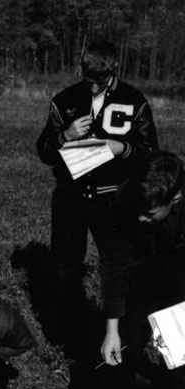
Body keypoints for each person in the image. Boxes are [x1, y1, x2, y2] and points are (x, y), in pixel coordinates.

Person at [70, 151, 185, 389]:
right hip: (142, 278)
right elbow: (115, 263)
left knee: (177, 367)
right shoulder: (127, 202)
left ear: (175, 197)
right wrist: (112, 329)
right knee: (119, 351)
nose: (141, 220)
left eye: (149, 214)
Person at [36, 39, 158, 349]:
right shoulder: (65, 100)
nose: (93, 87)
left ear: (114, 69)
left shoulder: (134, 101)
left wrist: (123, 148)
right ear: (81, 69)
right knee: (66, 267)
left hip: (113, 199)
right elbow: (44, 150)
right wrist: (65, 135)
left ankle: (122, 333)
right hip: (70, 198)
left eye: (100, 81)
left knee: (118, 264)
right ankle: (67, 337)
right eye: (88, 79)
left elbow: (150, 154)